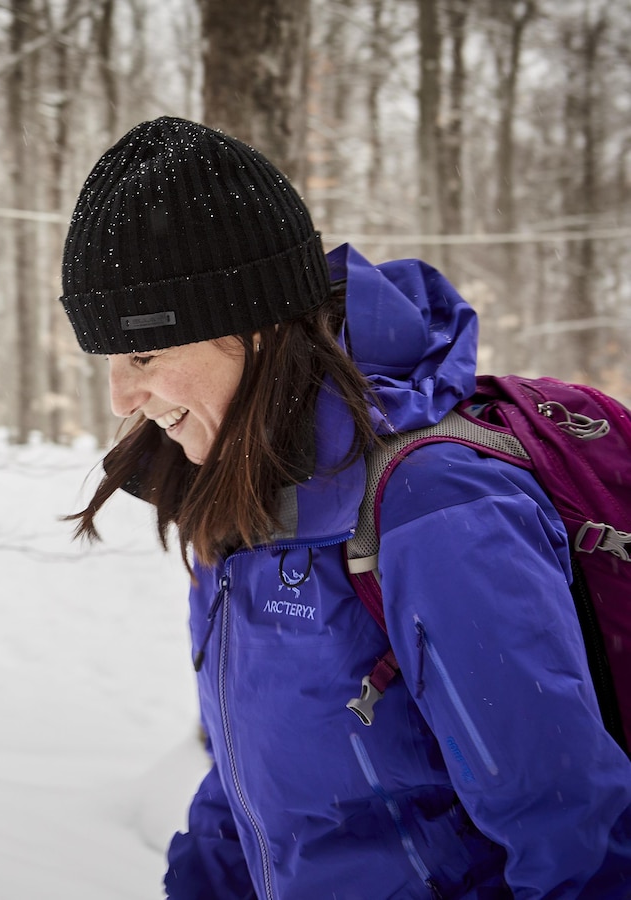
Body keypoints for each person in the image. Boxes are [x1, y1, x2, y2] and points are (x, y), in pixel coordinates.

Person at [59, 116, 631, 898]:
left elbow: (577, 841)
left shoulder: (435, 508)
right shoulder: (238, 506)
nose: (122, 396)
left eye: (144, 353)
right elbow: (249, 792)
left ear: (251, 328)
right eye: (109, 362)